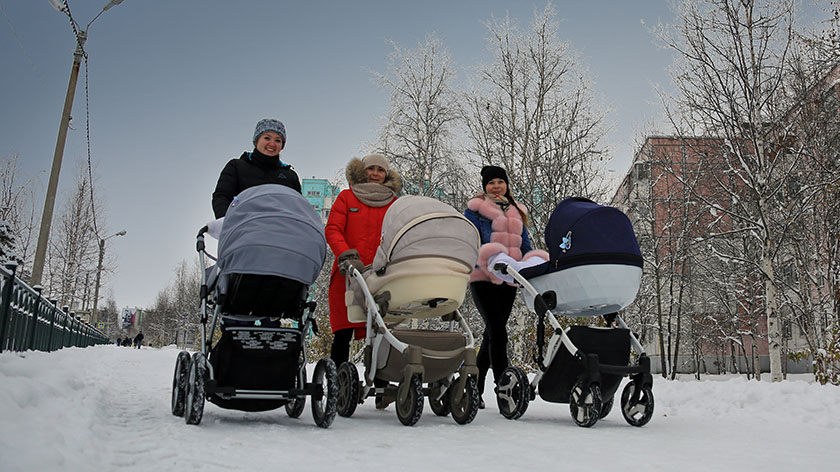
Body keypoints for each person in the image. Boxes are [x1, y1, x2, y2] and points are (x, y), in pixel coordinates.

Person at [463, 165, 546, 409]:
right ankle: (504, 387)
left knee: (492, 334)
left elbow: (526, 244)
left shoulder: (517, 210)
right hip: (483, 277)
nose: (496, 186)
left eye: (500, 181)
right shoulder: (475, 211)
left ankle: (473, 389)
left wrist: (532, 263)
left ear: (506, 184)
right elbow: (469, 240)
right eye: (491, 183)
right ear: (484, 187)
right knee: (499, 333)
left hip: (509, 279)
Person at [325, 153, 401, 409]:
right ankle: (337, 383)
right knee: (343, 331)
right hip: (349, 273)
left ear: (386, 175)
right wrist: (345, 255)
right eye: (371, 169)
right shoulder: (347, 197)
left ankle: (382, 385)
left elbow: (400, 234)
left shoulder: (395, 203)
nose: (375, 173)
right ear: (362, 172)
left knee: (382, 331)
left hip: (381, 275)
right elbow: (333, 228)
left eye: (381, 170)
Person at [212, 118, 302, 218]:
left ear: (282, 146)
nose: (272, 144)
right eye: (267, 138)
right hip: (242, 226)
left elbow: (298, 207)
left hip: (280, 229)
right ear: (256, 140)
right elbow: (222, 196)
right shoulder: (237, 166)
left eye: (277, 140)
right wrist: (224, 222)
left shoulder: (289, 176)